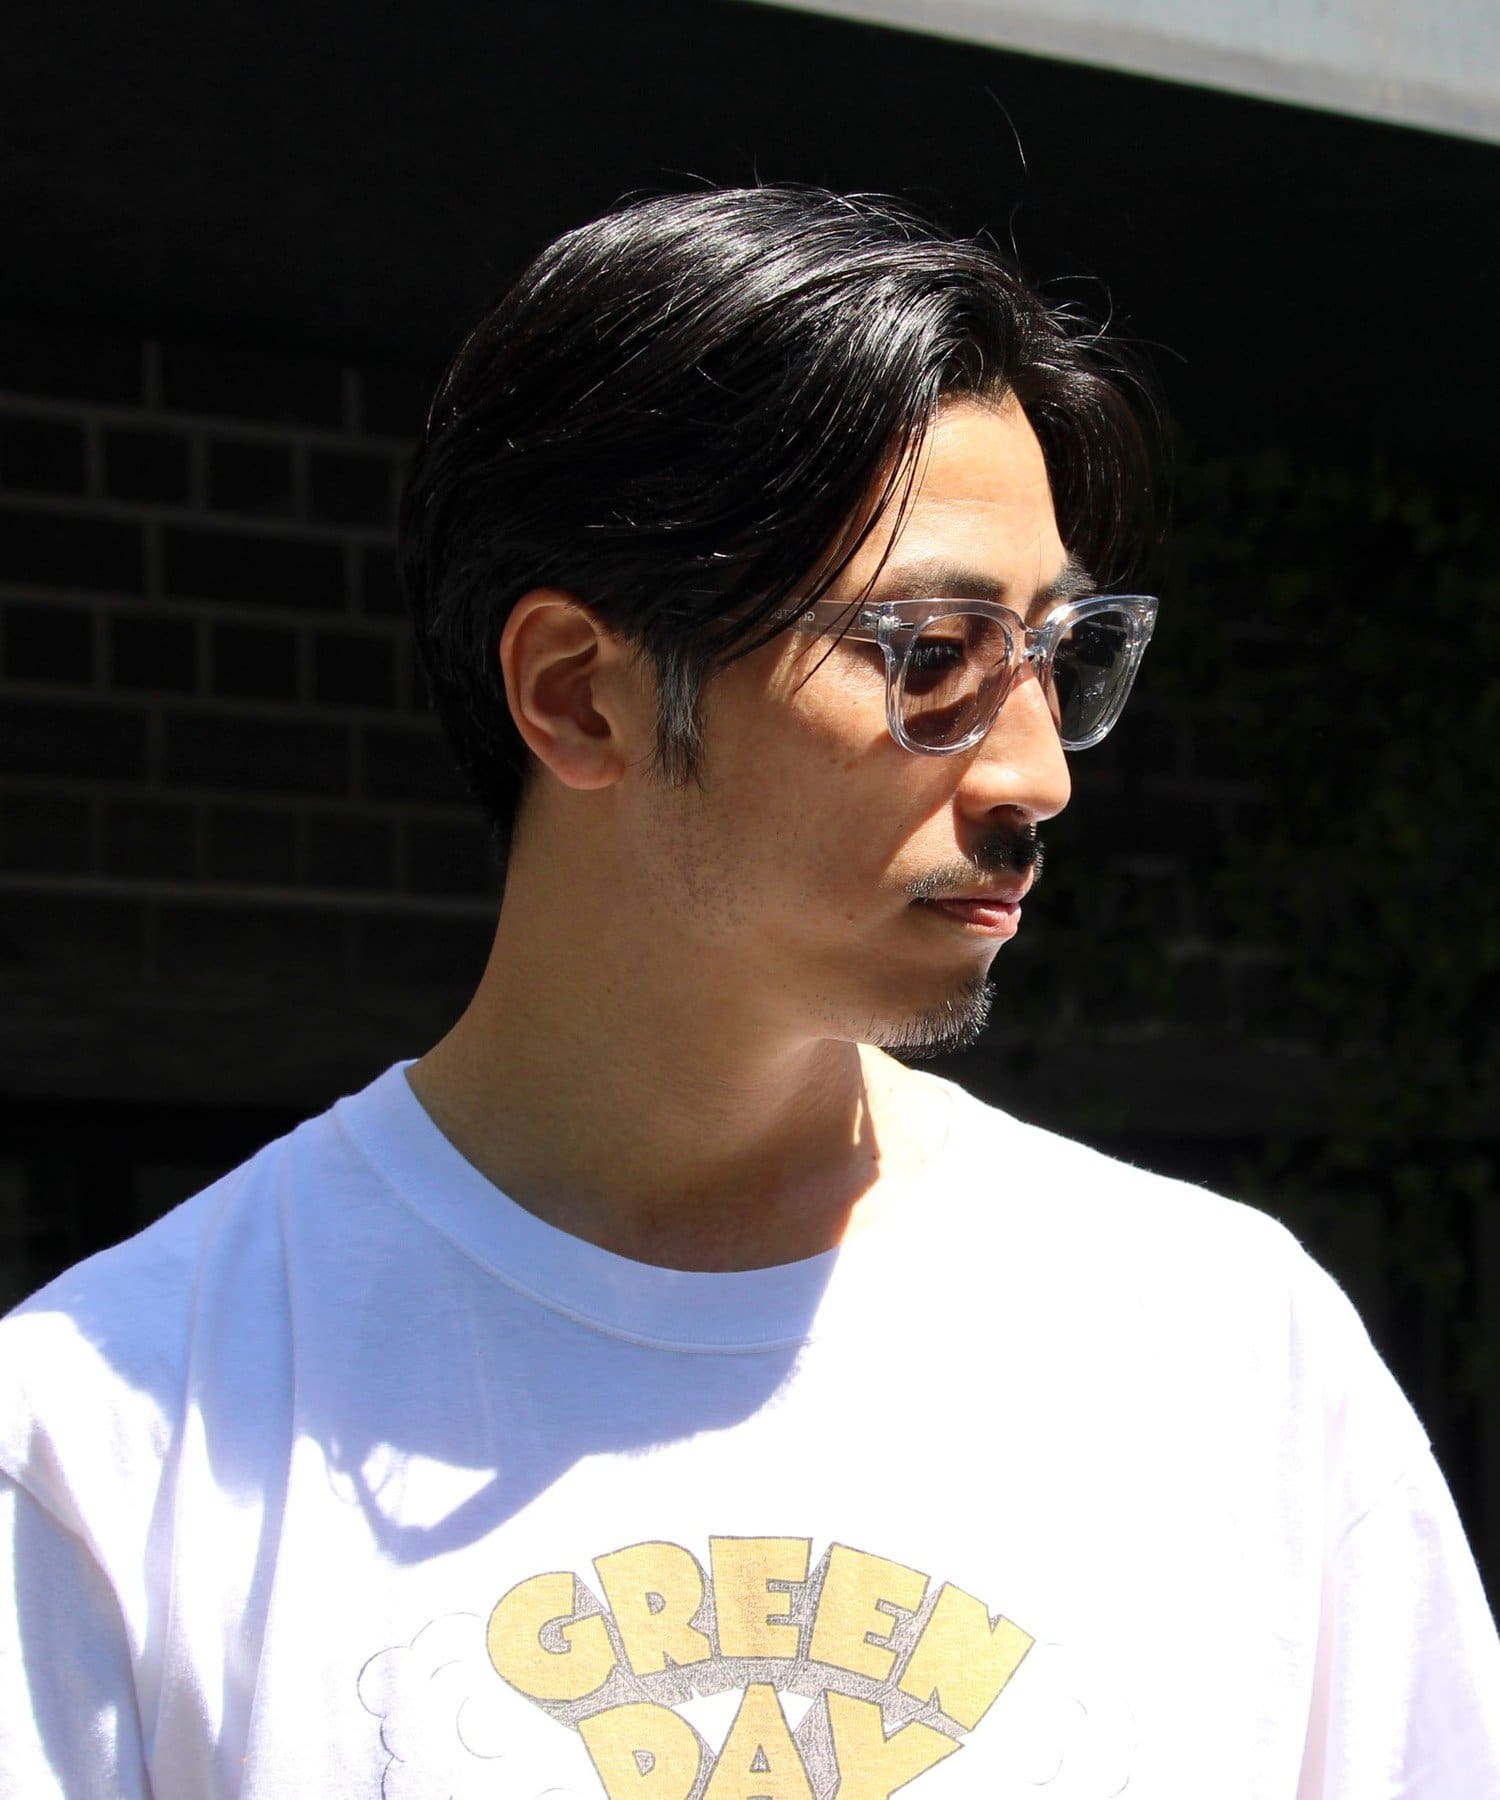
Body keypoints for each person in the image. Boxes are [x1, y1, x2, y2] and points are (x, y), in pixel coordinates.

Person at [1, 187, 1495, 1800]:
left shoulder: (1226, 1353)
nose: (1039, 774)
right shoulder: (106, 1433)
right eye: (931, 654)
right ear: (579, 697)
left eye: (1060, 653)